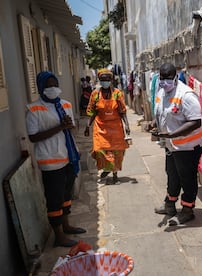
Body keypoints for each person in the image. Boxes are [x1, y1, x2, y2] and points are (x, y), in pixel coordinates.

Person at [26, 71, 86, 247]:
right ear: (41, 87)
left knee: (66, 195)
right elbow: (33, 137)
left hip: (67, 157)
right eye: (48, 85)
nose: (52, 88)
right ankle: (58, 235)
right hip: (50, 161)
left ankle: (66, 226)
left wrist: (74, 146)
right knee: (54, 199)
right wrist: (60, 126)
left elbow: (70, 130)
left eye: (54, 84)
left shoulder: (65, 104)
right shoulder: (34, 109)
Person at [147, 63, 202, 225]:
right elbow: (162, 111)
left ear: (175, 77)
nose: (165, 81)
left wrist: (172, 134)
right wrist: (153, 122)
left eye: (168, 78)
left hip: (188, 146)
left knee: (186, 177)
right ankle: (169, 205)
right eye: (162, 78)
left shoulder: (186, 95)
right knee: (172, 173)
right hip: (171, 144)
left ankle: (187, 210)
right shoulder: (161, 91)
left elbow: (195, 122)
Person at [84, 68, 130, 184]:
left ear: (111, 80)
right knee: (100, 150)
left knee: (117, 152)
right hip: (101, 128)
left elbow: (122, 111)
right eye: (103, 80)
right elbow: (92, 112)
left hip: (116, 128)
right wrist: (87, 126)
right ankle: (107, 169)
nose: (105, 81)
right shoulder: (95, 94)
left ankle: (115, 175)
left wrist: (127, 125)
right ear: (99, 80)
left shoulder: (117, 93)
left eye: (107, 79)